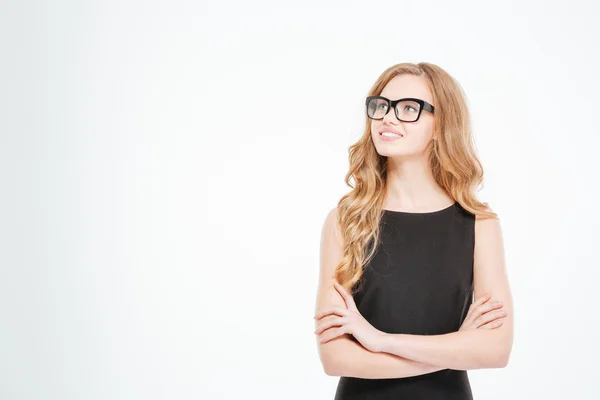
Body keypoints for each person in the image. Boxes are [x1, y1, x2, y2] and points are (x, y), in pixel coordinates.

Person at [313, 62, 514, 399]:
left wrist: (381, 341)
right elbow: (335, 358)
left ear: (441, 126)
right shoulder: (344, 220)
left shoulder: (480, 224)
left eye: (409, 108)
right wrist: (455, 350)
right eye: (381, 106)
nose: (387, 118)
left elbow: (495, 351)